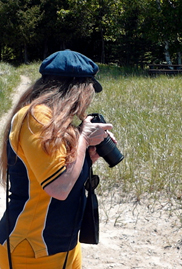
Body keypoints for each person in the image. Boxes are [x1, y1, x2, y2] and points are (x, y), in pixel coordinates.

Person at [0, 50, 113, 268]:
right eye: (89, 90)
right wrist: (84, 137)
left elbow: (63, 173)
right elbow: (59, 187)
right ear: (77, 90)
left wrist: (88, 154)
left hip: (63, 246)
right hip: (31, 249)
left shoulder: (55, 122)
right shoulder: (37, 117)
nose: (89, 99)